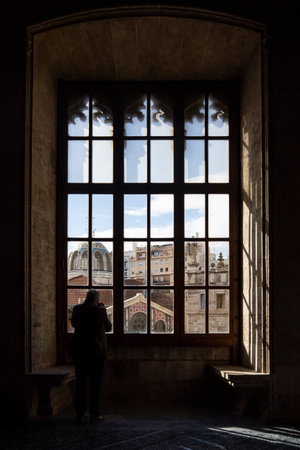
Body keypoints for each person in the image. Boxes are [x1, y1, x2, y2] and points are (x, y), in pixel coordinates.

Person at [69, 289, 112, 423]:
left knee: (80, 383)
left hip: (80, 351)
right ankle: (95, 413)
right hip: (97, 352)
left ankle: (80, 413)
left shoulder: (77, 309)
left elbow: (74, 324)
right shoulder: (100, 311)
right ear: (97, 299)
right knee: (95, 384)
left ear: (86, 297)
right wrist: (102, 309)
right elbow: (108, 327)